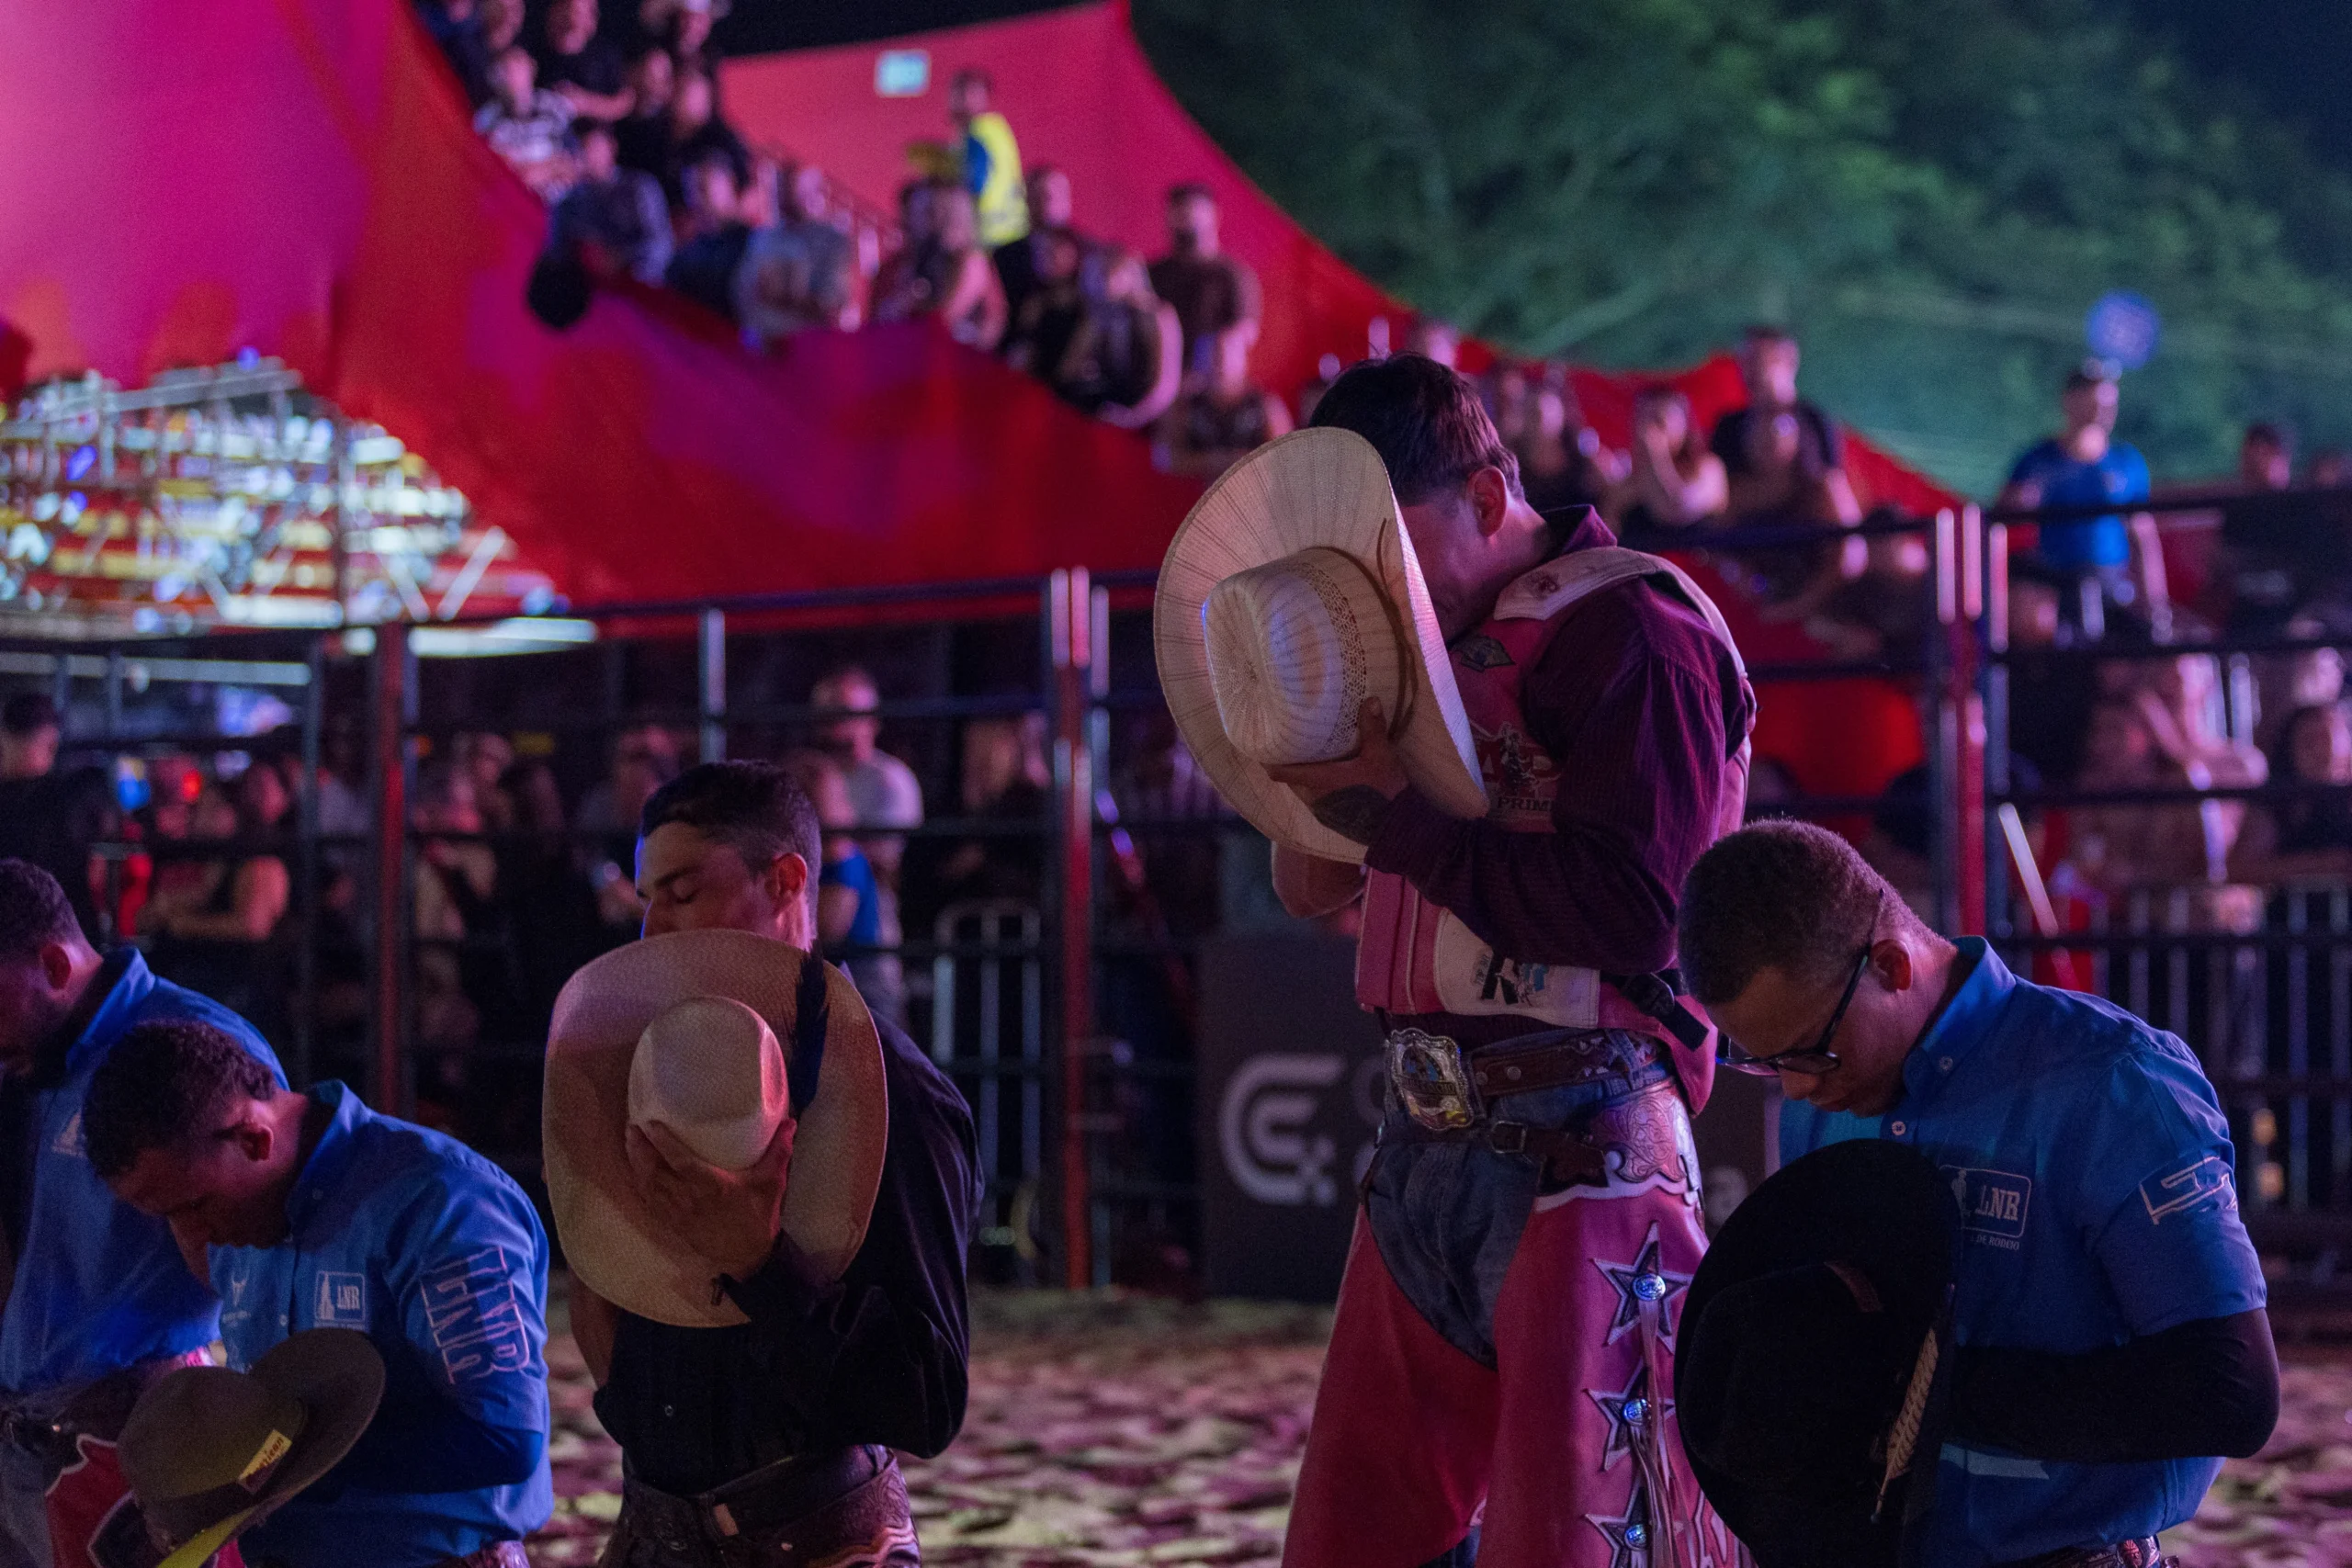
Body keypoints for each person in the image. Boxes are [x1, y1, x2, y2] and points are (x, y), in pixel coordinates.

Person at [1262, 355, 1755, 1568]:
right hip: (1425, 1139)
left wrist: (1394, 814)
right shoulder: (1426, 642)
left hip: (1587, 1140)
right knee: (1356, 1541)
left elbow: (1648, 911)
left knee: (1580, 1542)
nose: (1383, 594)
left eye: (1398, 554)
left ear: (1488, 498)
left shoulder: (1639, 623)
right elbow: (1313, 880)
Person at [1677, 819, 2278, 1568]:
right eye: (1765, 1062)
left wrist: (1915, 1390)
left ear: (1892, 965)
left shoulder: (2111, 1084)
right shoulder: (1824, 1095)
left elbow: (2231, 1390)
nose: (1797, 1087)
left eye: (1808, 1052)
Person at [566, 761, 980, 1567]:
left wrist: (760, 1263)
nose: (653, 929)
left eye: (683, 893)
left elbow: (927, 1400)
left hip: (821, 1538)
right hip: (653, 1529)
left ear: (786, 881)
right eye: (647, 897)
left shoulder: (894, 1095)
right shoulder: (643, 1068)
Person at [85, 1017, 551, 1567]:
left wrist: (286, 1464)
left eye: (192, 1206)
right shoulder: (239, 1211)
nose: (194, 1236)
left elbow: (504, 1440)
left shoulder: (437, 1200)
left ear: (255, 1138)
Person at [0, 860, 284, 1568]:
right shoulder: (40, 1058)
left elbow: (267, 1271)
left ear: (55, 963)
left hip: (134, 1429)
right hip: (29, 1426)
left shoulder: (197, 1053)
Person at [2000, 362, 2167, 645]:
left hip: (2111, 584)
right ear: (2070, 400)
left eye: (2107, 401)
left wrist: (2154, 603)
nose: (2100, 409)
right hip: (2054, 584)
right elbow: (2003, 514)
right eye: (2091, 398)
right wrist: (2019, 503)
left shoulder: (2126, 463)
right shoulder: (2039, 460)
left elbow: (2142, 537)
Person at [812, 668, 922, 1025]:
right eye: (829, 716)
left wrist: (832, 843)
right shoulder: (817, 776)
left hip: (872, 941)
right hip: (818, 939)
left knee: (878, 1044)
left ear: (871, 720)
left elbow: (883, 858)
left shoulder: (889, 781)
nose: (838, 726)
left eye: (848, 714)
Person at [0, 693, 109, 944]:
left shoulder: (69, 797)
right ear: (50, 739)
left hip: (29, 939)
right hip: (70, 938)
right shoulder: (75, 796)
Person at [1148, 184, 1262, 390]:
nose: (1186, 219)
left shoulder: (1233, 275)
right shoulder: (1154, 273)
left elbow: (1244, 332)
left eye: (1194, 212)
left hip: (1211, 388)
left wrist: (1203, 370)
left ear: (1213, 216)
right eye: (1179, 212)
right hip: (1160, 383)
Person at [1054, 248, 1182, 430]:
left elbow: (1164, 388)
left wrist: (1131, 419)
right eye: (1099, 274)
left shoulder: (1159, 316)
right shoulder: (1097, 316)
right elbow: (1068, 370)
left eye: (1110, 273)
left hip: (1146, 418)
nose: (1103, 281)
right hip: (1107, 412)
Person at [736, 162, 858, 343]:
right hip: (758, 344)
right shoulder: (763, 237)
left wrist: (784, 296)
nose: (782, 199)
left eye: (790, 191)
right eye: (779, 191)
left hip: (808, 347)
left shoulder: (833, 241)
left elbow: (833, 302)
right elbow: (742, 290)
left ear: (815, 193)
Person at [873, 184, 1005, 351]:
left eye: (934, 213)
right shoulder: (895, 265)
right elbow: (876, 318)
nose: (928, 222)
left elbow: (991, 321)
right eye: (923, 213)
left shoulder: (974, 265)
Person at [1157, 321, 1292, 479]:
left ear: (1243, 359)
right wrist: (1216, 462)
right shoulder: (1185, 405)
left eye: (1229, 353)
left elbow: (1284, 456)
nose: (1221, 362)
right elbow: (1165, 458)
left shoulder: (1264, 404)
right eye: (1213, 354)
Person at [549, 117, 673, 285]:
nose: (586, 155)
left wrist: (618, 259)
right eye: (580, 148)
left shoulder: (638, 187)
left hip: (637, 289)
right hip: (584, 291)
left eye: (592, 147)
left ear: (611, 147)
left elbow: (660, 244)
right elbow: (556, 253)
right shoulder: (569, 198)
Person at [1610, 386, 1728, 532]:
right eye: (1641, 420)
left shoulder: (1709, 468)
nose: (1648, 430)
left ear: (1684, 424)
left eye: (1658, 420)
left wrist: (1657, 455)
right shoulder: (1627, 479)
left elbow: (1676, 509)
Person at [473, 46, 578, 199]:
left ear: (532, 69)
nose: (511, 73)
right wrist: (538, 170)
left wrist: (538, 171)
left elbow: (572, 164)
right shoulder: (487, 118)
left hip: (552, 206)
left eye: (518, 64)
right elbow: (489, 168)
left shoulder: (555, 107)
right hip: (504, 199)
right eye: (505, 68)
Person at [993, 164, 1090, 324]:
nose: (1046, 204)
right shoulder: (1006, 255)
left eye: (1052, 196)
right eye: (1037, 196)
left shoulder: (1088, 252)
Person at [663, 152, 753, 321]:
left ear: (730, 184)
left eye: (702, 189)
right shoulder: (689, 248)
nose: (695, 200)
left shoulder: (754, 243)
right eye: (690, 192)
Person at [948, 68, 1027, 250]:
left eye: (963, 93)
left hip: (988, 238)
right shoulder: (997, 129)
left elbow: (973, 183)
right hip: (1012, 231)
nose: (957, 101)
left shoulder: (977, 132)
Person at [534, 0, 632, 123]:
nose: (571, 19)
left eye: (578, 13)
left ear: (591, 19)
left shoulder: (604, 55)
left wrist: (586, 104)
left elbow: (624, 101)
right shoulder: (535, 49)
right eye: (566, 10)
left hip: (587, 133)